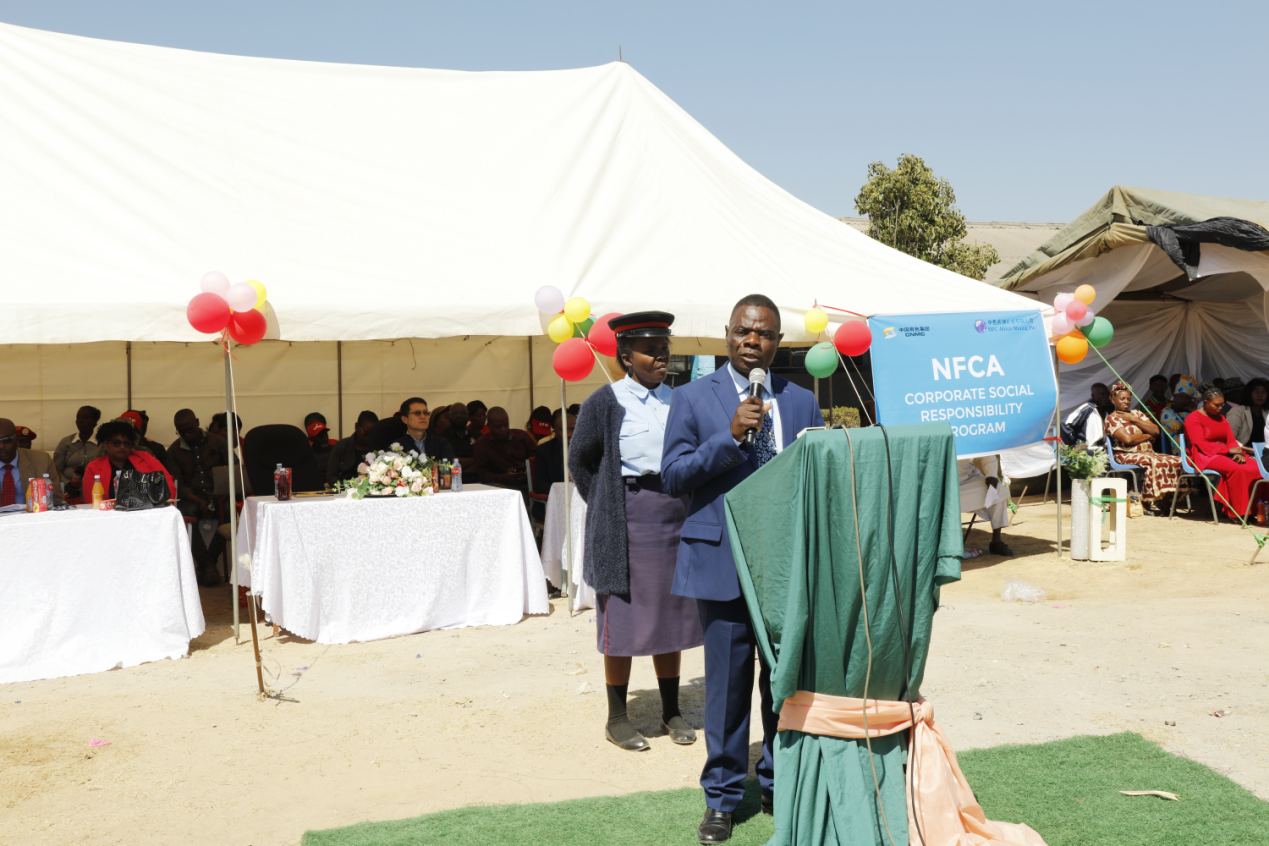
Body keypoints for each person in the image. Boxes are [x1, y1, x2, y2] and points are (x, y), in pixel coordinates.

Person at [661, 294, 824, 843]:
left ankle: (780, 783)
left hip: (786, 565)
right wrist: (730, 437)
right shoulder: (691, 397)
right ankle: (723, 798)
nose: (753, 342)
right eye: (744, 331)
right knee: (727, 688)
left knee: (784, 682)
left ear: (779, 342)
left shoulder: (802, 400)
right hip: (721, 561)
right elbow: (674, 476)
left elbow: (817, 474)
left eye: (765, 334)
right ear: (728, 334)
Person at [569, 311, 704, 753]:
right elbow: (580, 461)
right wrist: (607, 504)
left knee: (671, 614)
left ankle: (671, 711)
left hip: (674, 516)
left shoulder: (680, 399)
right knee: (623, 619)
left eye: (664, 349)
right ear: (626, 357)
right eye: (650, 350)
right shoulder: (604, 402)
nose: (661, 356)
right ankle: (617, 718)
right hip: (627, 520)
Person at [166, 409, 230, 585]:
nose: (187, 435)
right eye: (182, 432)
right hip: (191, 497)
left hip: (219, 494)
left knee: (228, 510)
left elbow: (234, 469)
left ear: (198, 422)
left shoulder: (218, 441)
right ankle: (207, 564)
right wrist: (199, 501)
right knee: (184, 513)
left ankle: (207, 564)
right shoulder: (173, 450)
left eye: (190, 429)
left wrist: (223, 491)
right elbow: (177, 485)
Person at [1106, 380, 1187, 508]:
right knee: (1154, 462)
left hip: (1147, 453)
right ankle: (1148, 501)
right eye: (1122, 399)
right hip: (1125, 454)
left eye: (1128, 399)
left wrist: (1134, 419)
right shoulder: (1111, 418)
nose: (1126, 401)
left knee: (1177, 460)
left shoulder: (1137, 414)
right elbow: (1128, 439)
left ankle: (1165, 499)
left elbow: (1155, 430)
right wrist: (1147, 436)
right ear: (1113, 400)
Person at [1185, 386, 1261, 519]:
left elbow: (1230, 439)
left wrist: (1237, 452)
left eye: (1222, 405)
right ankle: (1237, 512)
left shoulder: (1221, 418)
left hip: (1223, 452)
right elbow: (1199, 443)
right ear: (1205, 402)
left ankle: (1254, 509)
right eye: (1216, 405)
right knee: (1236, 469)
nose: (1220, 408)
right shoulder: (1193, 418)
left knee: (1256, 467)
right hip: (1203, 454)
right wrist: (1228, 450)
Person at [82, 419, 176, 502]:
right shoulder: (93, 467)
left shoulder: (146, 458)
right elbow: (90, 502)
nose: (122, 447)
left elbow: (168, 488)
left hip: (148, 512)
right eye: (116, 443)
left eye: (126, 443)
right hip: (108, 514)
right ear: (104, 444)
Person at [0, 418, 63, 507]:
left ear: (17, 439)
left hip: (34, 515)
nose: (1, 446)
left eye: (7, 440)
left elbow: (56, 500)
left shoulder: (43, 460)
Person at [471, 407, 536, 491]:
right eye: (498, 427)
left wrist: (529, 470)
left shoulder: (522, 436)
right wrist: (504, 477)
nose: (503, 429)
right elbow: (483, 475)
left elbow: (536, 459)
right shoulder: (482, 444)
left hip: (529, 483)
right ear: (489, 426)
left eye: (506, 425)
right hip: (502, 487)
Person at [958, 455, 1012, 555]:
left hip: (969, 478)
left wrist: (991, 476)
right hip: (942, 482)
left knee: (999, 490)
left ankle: (996, 542)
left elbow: (987, 454)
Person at [54, 405, 103, 497]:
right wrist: (66, 484)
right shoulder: (66, 442)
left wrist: (88, 472)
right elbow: (56, 469)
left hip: (96, 487)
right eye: (78, 417)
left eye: (85, 417)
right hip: (68, 490)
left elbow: (107, 469)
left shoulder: (103, 443)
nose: (80, 421)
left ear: (94, 421)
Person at [389, 398, 456, 461]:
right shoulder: (396, 447)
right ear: (404, 419)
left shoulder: (442, 443)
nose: (423, 416)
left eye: (426, 413)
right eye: (417, 413)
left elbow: (450, 466)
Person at [533, 408, 576, 497]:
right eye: (563, 430)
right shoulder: (544, 451)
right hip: (558, 498)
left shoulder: (589, 449)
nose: (569, 434)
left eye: (573, 429)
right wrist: (563, 493)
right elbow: (540, 484)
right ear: (555, 431)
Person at [328, 410, 378, 486]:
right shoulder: (341, 446)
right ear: (356, 426)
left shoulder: (378, 447)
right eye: (366, 433)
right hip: (345, 488)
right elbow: (331, 476)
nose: (368, 437)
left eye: (372, 434)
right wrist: (347, 486)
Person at [1061, 383, 1109, 447]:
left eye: (1107, 394)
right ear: (1093, 396)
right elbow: (1064, 423)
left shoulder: (1106, 410)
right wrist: (1073, 445)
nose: (1106, 396)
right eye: (1102, 394)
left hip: (1101, 448)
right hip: (1086, 449)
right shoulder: (1086, 409)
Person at [1229, 377, 1268, 448]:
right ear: (1249, 393)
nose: (1260, 395)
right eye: (1256, 392)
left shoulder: (1267, 413)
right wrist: (1250, 450)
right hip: (1243, 451)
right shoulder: (1237, 411)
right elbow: (1230, 439)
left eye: (1263, 392)